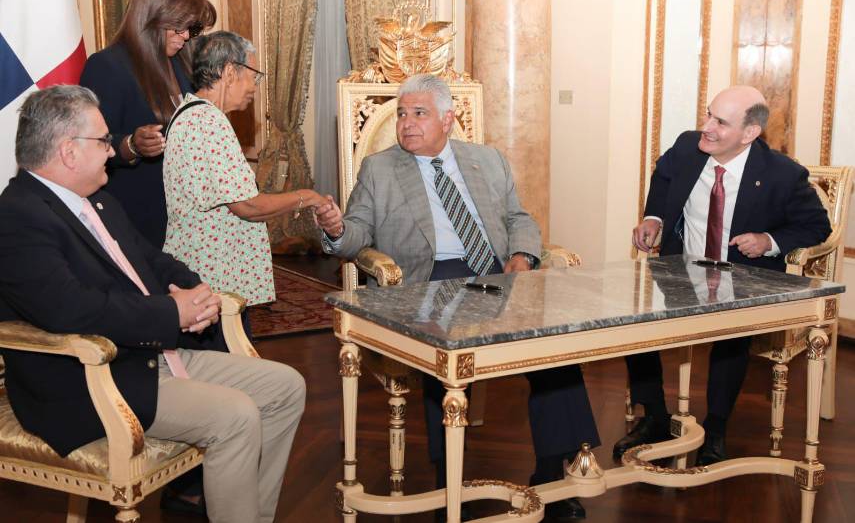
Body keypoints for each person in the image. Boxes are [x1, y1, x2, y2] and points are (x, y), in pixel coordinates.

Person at [0, 85, 306, 523]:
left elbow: (152, 260)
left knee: (285, 387)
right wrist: (171, 314)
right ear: (68, 151)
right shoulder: (18, 216)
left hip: (146, 356)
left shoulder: (98, 200)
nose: (112, 151)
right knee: (235, 415)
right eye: (104, 140)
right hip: (87, 382)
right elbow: (70, 310)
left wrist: (192, 290)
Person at [316, 73, 598, 521]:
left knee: (555, 350)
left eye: (419, 113)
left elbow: (519, 218)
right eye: (403, 113)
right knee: (442, 349)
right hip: (427, 283)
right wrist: (334, 228)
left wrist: (523, 256)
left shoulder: (487, 160)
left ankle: (553, 474)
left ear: (448, 119)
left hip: (496, 274)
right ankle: (450, 483)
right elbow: (356, 236)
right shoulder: (380, 168)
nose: (406, 123)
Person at [614, 86, 831, 465]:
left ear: (750, 133)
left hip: (742, 279)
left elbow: (816, 225)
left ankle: (715, 427)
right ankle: (655, 417)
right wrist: (654, 216)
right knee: (634, 322)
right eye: (708, 115)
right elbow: (663, 177)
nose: (706, 127)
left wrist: (770, 240)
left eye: (720, 122)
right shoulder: (687, 147)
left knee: (732, 339)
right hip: (681, 269)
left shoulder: (783, 174)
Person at [162, 31, 327, 337]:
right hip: (212, 286)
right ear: (228, 72)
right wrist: (306, 196)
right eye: (254, 75)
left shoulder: (191, 115)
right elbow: (247, 206)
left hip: (206, 279)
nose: (254, 86)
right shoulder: (207, 122)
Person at [79, 0, 216, 248]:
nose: (186, 36)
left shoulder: (182, 63)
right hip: (139, 216)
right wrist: (132, 144)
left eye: (191, 28)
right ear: (151, 18)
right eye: (178, 27)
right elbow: (88, 146)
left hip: (186, 214)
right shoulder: (107, 66)